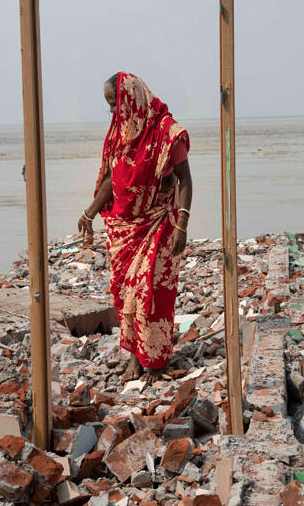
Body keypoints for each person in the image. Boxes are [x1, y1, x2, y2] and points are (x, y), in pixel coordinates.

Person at [79, 72, 192, 381]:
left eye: (116, 104)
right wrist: (89, 214)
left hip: (159, 225)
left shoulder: (168, 133)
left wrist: (182, 224)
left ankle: (155, 360)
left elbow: (185, 179)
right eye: (109, 106)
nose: (114, 112)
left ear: (132, 100)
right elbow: (111, 181)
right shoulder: (119, 134)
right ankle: (134, 356)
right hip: (125, 229)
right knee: (126, 295)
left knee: (153, 293)